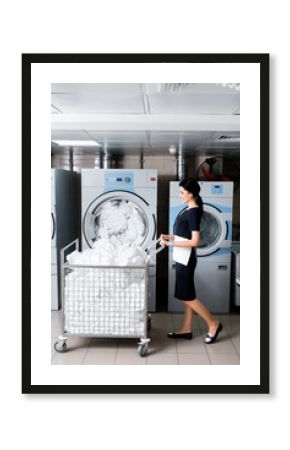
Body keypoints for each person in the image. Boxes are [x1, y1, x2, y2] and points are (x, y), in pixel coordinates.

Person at [160, 178, 223, 344]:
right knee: (188, 294)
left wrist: (170, 244)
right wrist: (171, 237)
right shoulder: (189, 210)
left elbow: (195, 241)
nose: (179, 195)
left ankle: (213, 323)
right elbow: (185, 235)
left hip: (186, 259)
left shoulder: (193, 212)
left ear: (192, 193)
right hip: (183, 258)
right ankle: (187, 329)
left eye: (182, 192)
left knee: (186, 296)